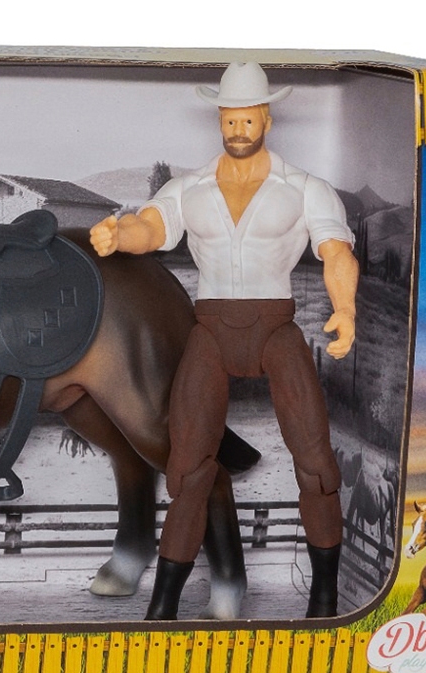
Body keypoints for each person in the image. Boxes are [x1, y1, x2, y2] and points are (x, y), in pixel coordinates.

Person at [90, 62, 359, 619]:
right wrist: (119, 235)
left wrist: (346, 308)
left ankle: (324, 599)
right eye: (229, 120)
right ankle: (163, 607)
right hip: (210, 331)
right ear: (220, 120)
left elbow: (336, 251)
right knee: (187, 469)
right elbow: (153, 228)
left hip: (275, 329)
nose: (238, 130)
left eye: (248, 119)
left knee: (314, 462)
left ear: (267, 119)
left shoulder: (305, 189)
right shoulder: (190, 188)